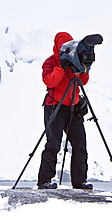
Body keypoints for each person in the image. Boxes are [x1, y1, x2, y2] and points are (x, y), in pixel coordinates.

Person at [37, 32, 93, 190]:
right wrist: (61, 66)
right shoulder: (51, 62)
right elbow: (50, 81)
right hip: (54, 106)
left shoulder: (75, 60)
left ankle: (79, 181)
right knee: (53, 143)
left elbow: (83, 80)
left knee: (80, 144)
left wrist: (83, 67)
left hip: (74, 107)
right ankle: (44, 181)